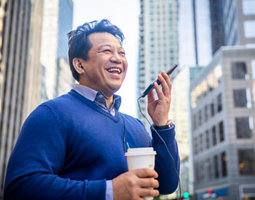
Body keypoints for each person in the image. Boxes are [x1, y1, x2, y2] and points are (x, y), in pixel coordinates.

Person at [4, 19, 180, 200]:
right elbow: (20, 188)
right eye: (106, 51)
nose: (118, 58)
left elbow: (166, 184)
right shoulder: (51, 114)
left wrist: (161, 125)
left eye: (122, 52)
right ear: (80, 65)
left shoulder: (136, 126)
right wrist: (109, 191)